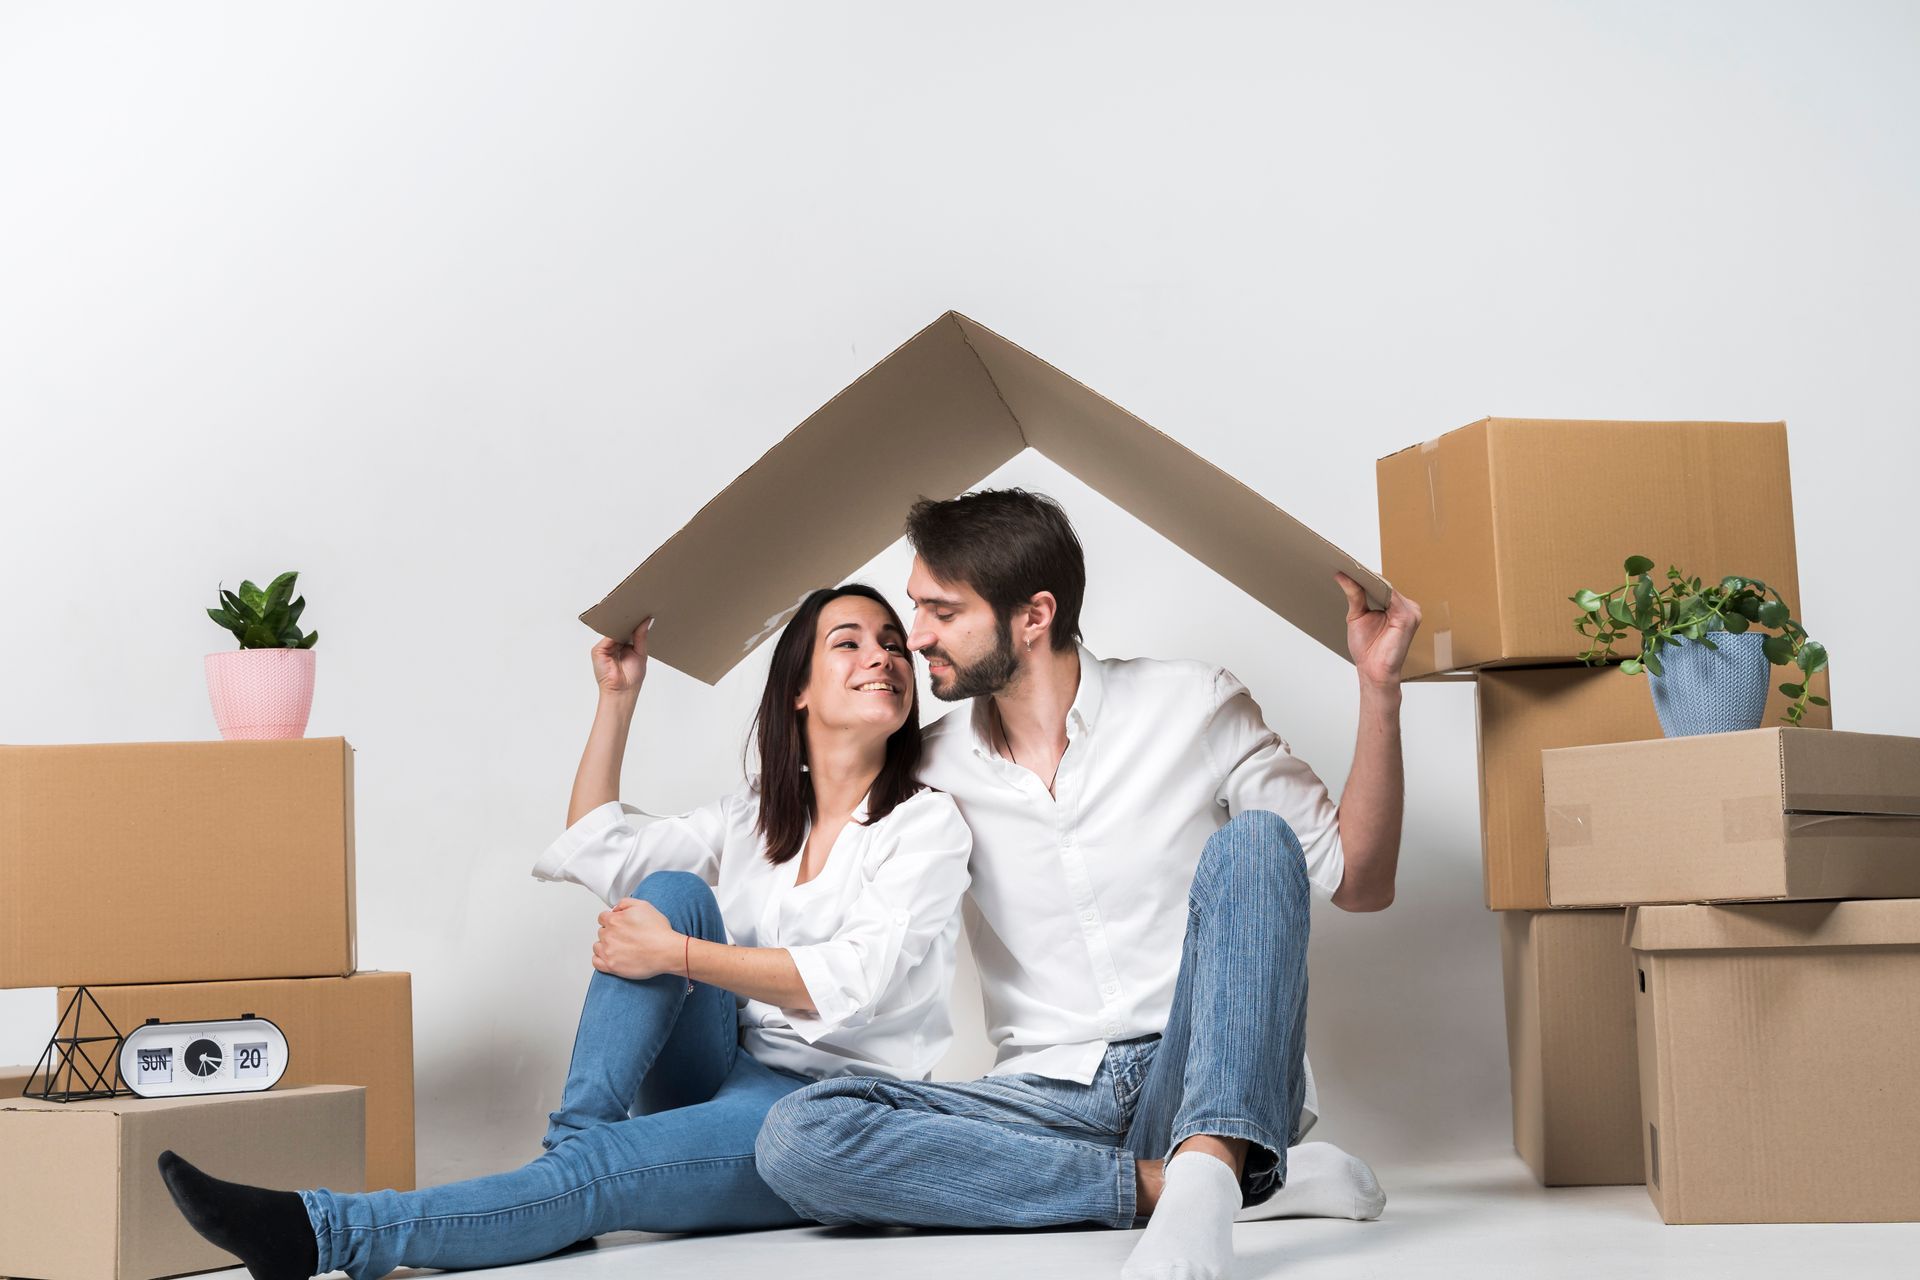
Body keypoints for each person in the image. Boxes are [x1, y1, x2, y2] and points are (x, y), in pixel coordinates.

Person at [156, 584, 972, 1280]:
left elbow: (854, 980)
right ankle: (573, 1147)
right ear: (797, 688)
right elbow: (599, 847)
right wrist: (618, 698)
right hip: (729, 1067)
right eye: (851, 642)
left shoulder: (925, 826)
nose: (885, 657)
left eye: (895, 645)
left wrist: (680, 958)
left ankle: (324, 1232)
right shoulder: (758, 818)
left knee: (606, 1162)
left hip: (820, 1116)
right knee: (672, 888)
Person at [756, 490, 1417, 1280]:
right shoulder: (926, 767)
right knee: (798, 1137)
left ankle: (1210, 1166)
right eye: (917, 610)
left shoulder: (1193, 702)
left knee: (1257, 842)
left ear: (1033, 616)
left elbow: (1359, 883)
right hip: (1049, 1101)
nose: (917, 637)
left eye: (942, 611)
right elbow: (806, 816)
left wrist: (1379, 689)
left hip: (1202, 1065)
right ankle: (1203, 1185)